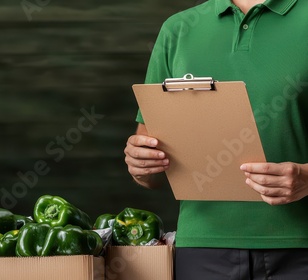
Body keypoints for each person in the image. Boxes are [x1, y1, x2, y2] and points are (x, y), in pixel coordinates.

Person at [124, 0, 308, 279]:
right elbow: (148, 171)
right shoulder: (178, 29)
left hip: (300, 247)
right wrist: (141, 164)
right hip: (202, 248)